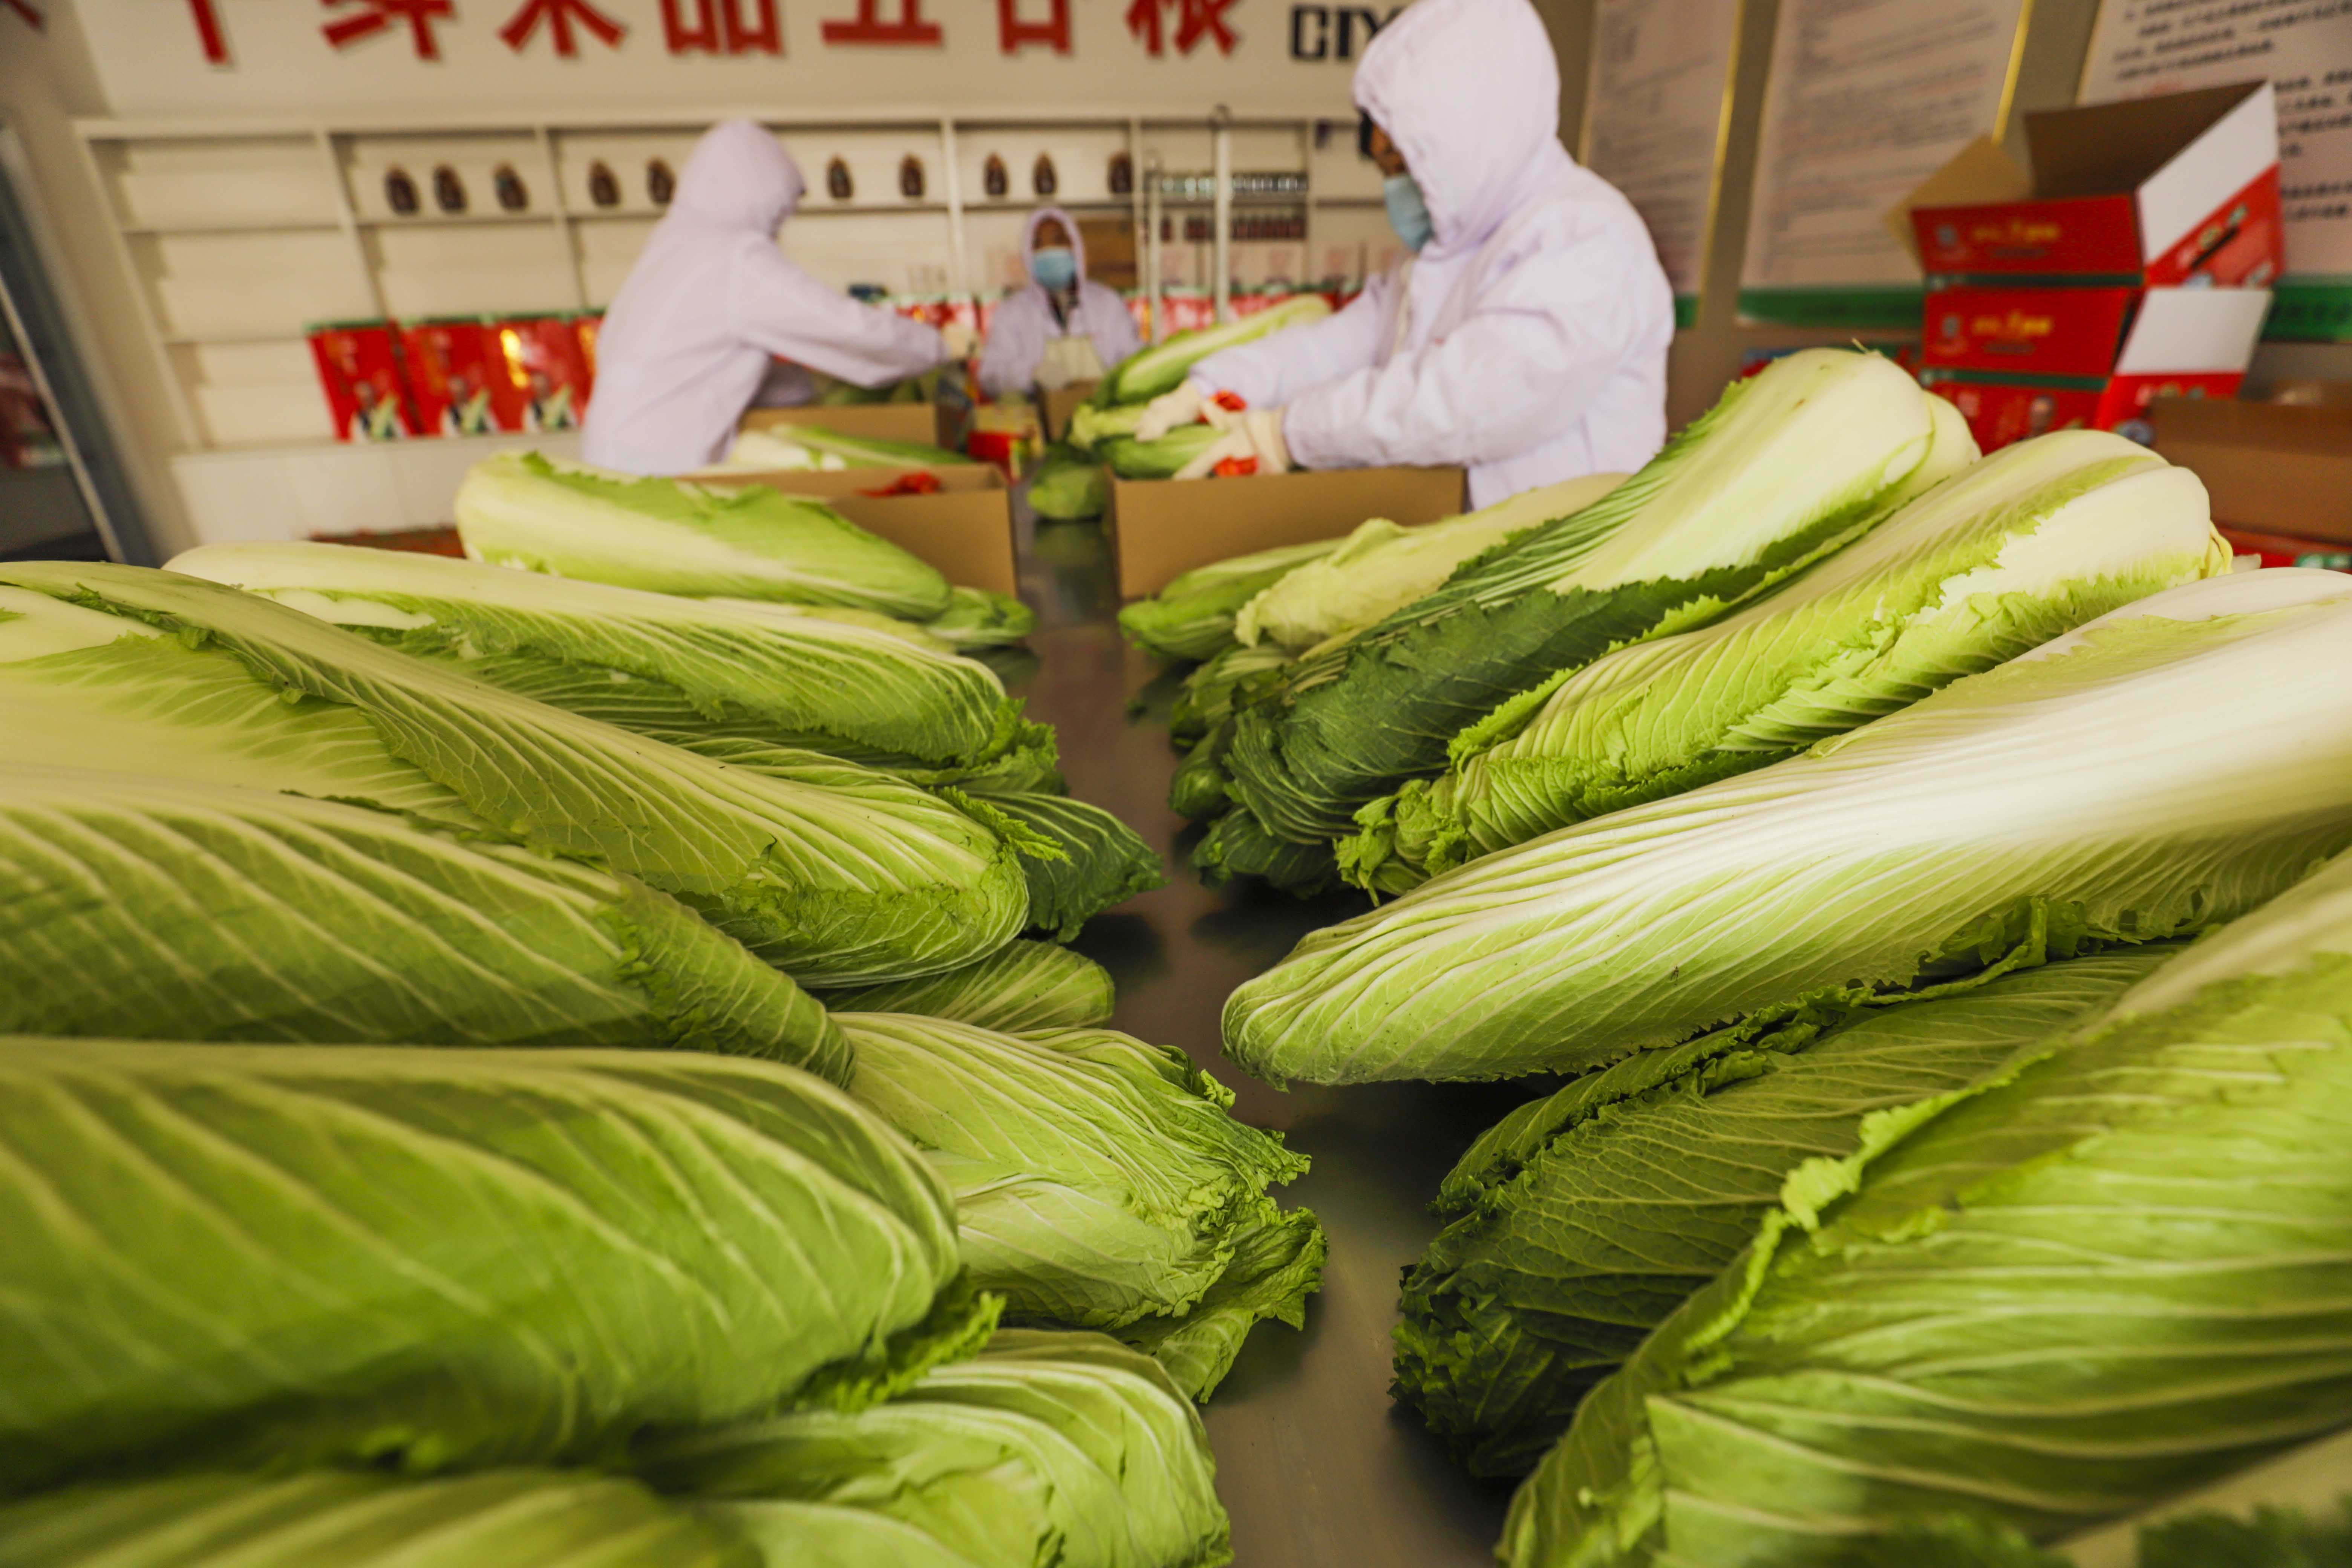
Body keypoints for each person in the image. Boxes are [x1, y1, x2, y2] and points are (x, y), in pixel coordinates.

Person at [1133, 0, 1673, 507]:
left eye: (1405, 167)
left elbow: (1466, 399)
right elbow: (1325, 349)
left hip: (1570, 572)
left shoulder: (1585, 238)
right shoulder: (1435, 259)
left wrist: (1289, 432)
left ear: (1468, 137)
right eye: (1388, 170)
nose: (1396, 190)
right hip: (1461, 554)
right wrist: (1210, 384)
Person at [582, 119, 949, 475]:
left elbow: (714, 358)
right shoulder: (733, 257)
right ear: (758, 196)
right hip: (658, 468)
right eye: (778, 212)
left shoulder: (673, 243)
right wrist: (938, 345)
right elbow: (843, 326)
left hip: (609, 457)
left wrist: (807, 386)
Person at [975, 208, 1142, 398]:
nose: (1049, 251)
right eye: (1039, 244)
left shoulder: (1107, 304)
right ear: (1028, 253)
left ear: (1075, 246)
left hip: (1103, 414)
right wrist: (1031, 375)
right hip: (1038, 420)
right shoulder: (1012, 312)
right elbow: (991, 375)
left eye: (1058, 240)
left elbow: (1134, 359)